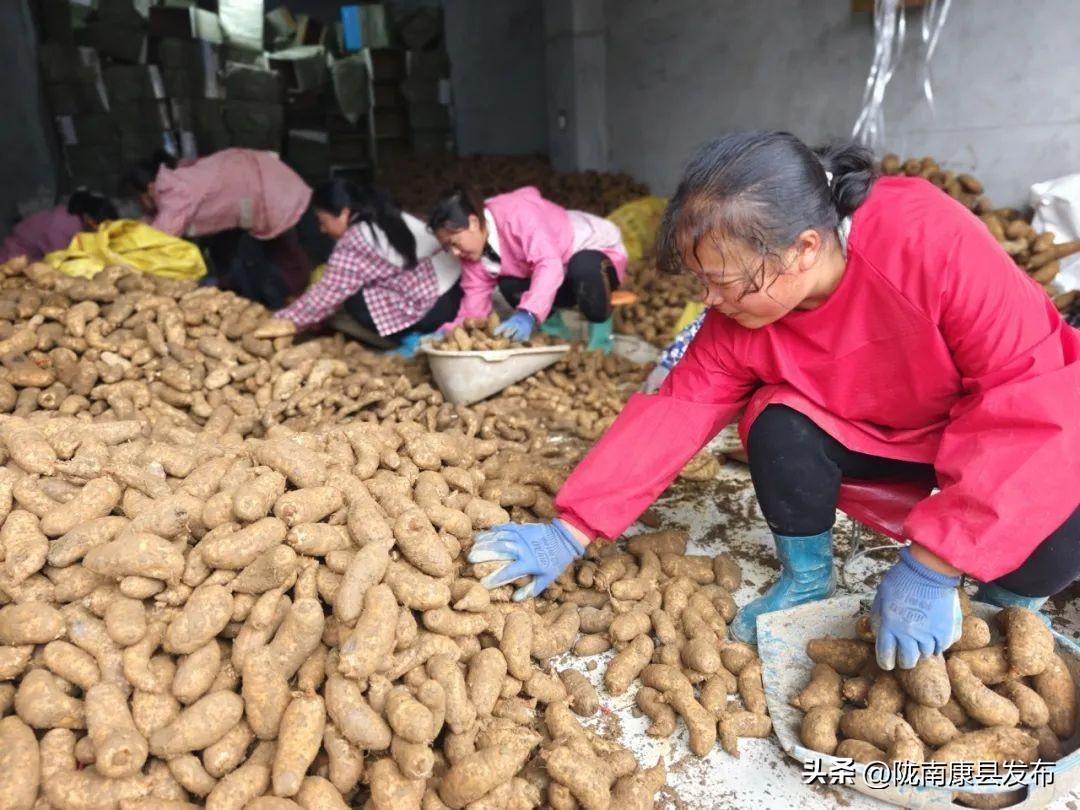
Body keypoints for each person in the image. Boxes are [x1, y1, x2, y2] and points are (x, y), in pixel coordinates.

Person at [468, 131, 1080, 672]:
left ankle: (1003, 612)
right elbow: (677, 409)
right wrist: (573, 527)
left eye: (723, 281)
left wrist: (934, 566)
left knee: (1059, 523)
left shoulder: (929, 241)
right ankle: (808, 577)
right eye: (699, 280)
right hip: (882, 432)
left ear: (804, 248)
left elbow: (1030, 399)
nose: (708, 300)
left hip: (1009, 428)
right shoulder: (738, 319)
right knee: (776, 421)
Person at [428, 185, 628, 352]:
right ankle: (556, 331)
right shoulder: (474, 255)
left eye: (454, 242)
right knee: (510, 284)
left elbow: (548, 264)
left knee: (585, 268)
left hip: (594, 251)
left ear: (472, 222)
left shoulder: (518, 215)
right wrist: (450, 331)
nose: (454, 253)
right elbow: (474, 305)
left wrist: (528, 314)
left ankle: (601, 333)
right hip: (560, 273)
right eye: (447, 248)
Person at [274, 179, 462, 350]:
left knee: (351, 302)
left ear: (344, 213)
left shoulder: (356, 238)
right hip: (452, 296)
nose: (322, 229)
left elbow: (326, 294)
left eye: (323, 221)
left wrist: (283, 321)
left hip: (430, 307)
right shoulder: (385, 215)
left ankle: (407, 338)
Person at [124, 148, 314, 309]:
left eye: (137, 199)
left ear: (149, 189)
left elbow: (159, 238)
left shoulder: (173, 190)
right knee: (225, 250)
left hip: (267, 192)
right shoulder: (175, 179)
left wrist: (124, 253)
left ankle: (302, 304)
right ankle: (235, 297)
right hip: (256, 183)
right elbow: (155, 220)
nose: (139, 205)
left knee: (284, 253)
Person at [0, 190, 117, 263]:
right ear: (87, 217)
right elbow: (59, 260)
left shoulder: (71, 217)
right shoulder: (63, 228)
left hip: (30, 257)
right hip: (11, 260)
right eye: (99, 225)